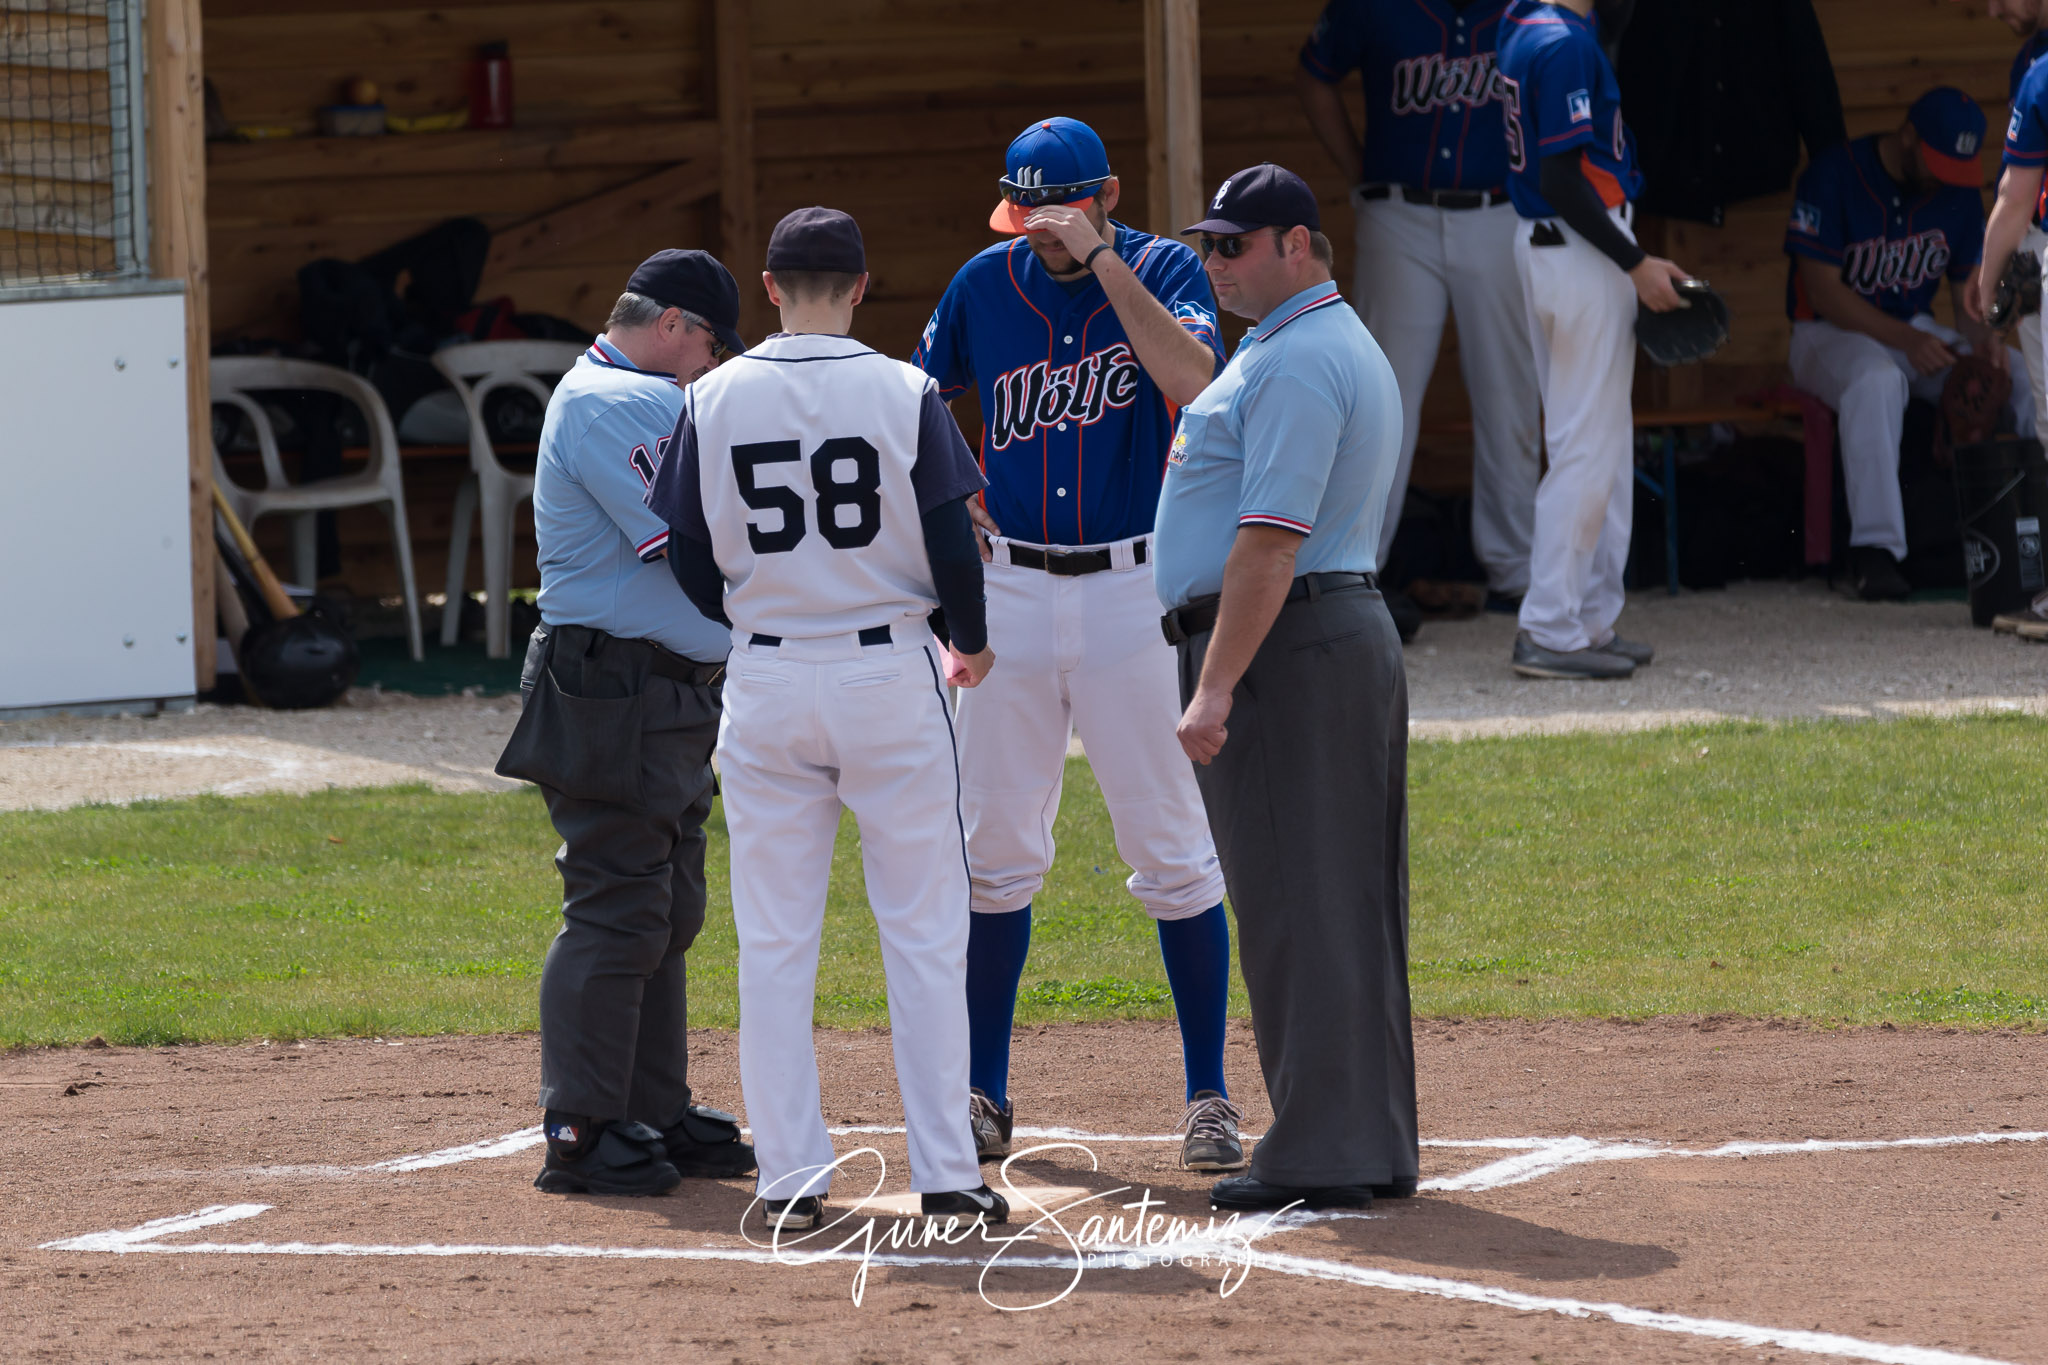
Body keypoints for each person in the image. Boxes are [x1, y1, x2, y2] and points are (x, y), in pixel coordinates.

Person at [645, 206, 1008, 1232]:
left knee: (773, 943)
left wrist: (757, 614)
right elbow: (949, 541)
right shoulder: (903, 389)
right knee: (924, 937)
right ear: (859, 286)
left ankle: (791, 1180)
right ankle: (947, 1173)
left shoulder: (709, 395)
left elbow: (681, 555)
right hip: (886, 672)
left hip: (765, 680)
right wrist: (969, 642)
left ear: (766, 288)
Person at [910, 116, 1243, 1174]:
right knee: (990, 856)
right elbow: (915, 402)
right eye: (1028, 215)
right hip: (1006, 590)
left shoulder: (1161, 267)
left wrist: (1100, 259)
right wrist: (947, 493)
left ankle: (1206, 1093)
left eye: (1059, 215)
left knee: (1173, 851)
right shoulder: (982, 281)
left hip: (1129, 591)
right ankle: (981, 1091)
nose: (1040, 235)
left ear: (1103, 193)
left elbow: (1193, 380)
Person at [1153, 163, 1410, 1213]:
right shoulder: (1297, 345)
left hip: (1286, 646)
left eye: (1233, 245)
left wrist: (1212, 688)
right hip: (1312, 640)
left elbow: (1266, 542)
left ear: (1295, 245)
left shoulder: (1299, 359)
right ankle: (1359, 1138)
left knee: (1299, 904)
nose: (1213, 264)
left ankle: (1322, 1147)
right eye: (1207, 245)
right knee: (1332, 899)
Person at [496, 249, 756, 1196]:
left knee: (667, 905)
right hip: (610, 687)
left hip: (666, 690)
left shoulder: (650, 395)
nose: (714, 365)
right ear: (676, 326)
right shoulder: (612, 404)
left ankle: (649, 1105)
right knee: (617, 904)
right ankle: (583, 1123)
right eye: (712, 345)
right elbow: (691, 544)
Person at [1296, 0, 1541, 631]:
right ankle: (1356, 568)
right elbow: (1315, 73)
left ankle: (1518, 571)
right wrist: (1360, 171)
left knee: (1510, 393)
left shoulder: (1522, 9)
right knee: (1381, 395)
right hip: (1399, 211)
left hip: (1498, 211)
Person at [1497, 0, 1687, 680]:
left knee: (1598, 440)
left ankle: (1588, 619)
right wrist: (1634, 262)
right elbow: (1560, 178)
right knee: (1585, 446)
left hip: (1554, 247)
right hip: (1581, 246)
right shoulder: (1562, 44)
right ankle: (1550, 624)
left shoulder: (1523, 22)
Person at [1787, 88, 2032, 602]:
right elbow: (1824, 293)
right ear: (1907, 138)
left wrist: (1986, 341)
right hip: (1826, 334)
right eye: (1938, 160)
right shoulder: (1834, 174)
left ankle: (2037, 536)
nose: (1947, 176)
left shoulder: (1958, 191)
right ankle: (1876, 553)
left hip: (1914, 330)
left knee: (2020, 372)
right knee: (1878, 379)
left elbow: (1968, 296)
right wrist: (1907, 339)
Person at [1965, 0, 2048, 447]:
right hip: (2035, 244)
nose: (1994, 12)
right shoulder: (2030, 63)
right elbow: (2017, 187)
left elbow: (2015, 198)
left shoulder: (2041, 73)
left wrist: (1989, 287)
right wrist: (1989, 259)